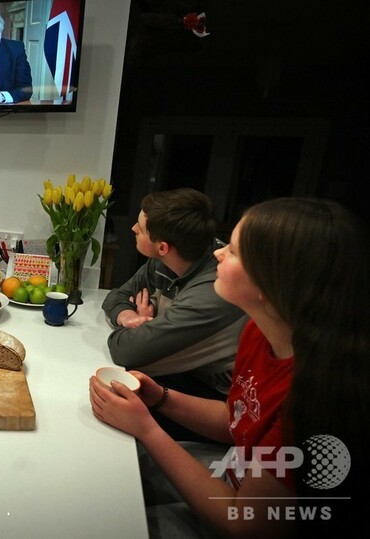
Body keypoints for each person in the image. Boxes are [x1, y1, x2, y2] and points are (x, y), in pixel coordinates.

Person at [90, 197, 369, 537]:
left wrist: (147, 429)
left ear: (273, 281)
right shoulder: (258, 334)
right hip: (232, 471)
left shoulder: (314, 397)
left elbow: (243, 524)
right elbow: (238, 420)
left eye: (234, 251)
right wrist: (161, 397)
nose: (218, 253)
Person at [102, 189, 247, 410]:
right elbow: (116, 296)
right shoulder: (165, 260)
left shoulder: (214, 289)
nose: (133, 229)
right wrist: (128, 316)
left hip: (215, 398)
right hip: (179, 374)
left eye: (140, 227)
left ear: (163, 247)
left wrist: (143, 329)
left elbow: (126, 350)